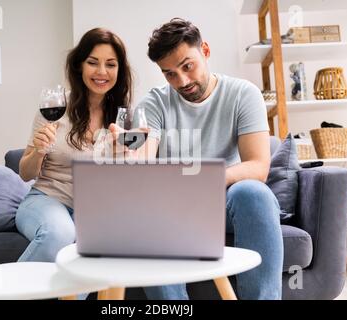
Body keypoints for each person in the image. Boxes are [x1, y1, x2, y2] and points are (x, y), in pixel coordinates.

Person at [111, 18, 284, 300]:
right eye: (169, 74)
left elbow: (258, 167)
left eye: (187, 66)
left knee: (253, 192)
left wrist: (202, 178)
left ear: (205, 50)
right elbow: (145, 151)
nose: (182, 81)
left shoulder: (243, 94)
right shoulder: (154, 104)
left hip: (225, 205)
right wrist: (130, 155)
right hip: (173, 211)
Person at [15, 28, 187, 300]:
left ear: (119, 70)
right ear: (79, 65)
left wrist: (126, 156)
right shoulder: (55, 107)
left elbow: (128, 182)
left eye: (110, 64)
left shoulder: (124, 118)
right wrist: (38, 150)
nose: (101, 72)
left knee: (97, 242)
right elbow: (25, 173)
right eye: (93, 62)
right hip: (48, 198)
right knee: (60, 232)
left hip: (95, 208)